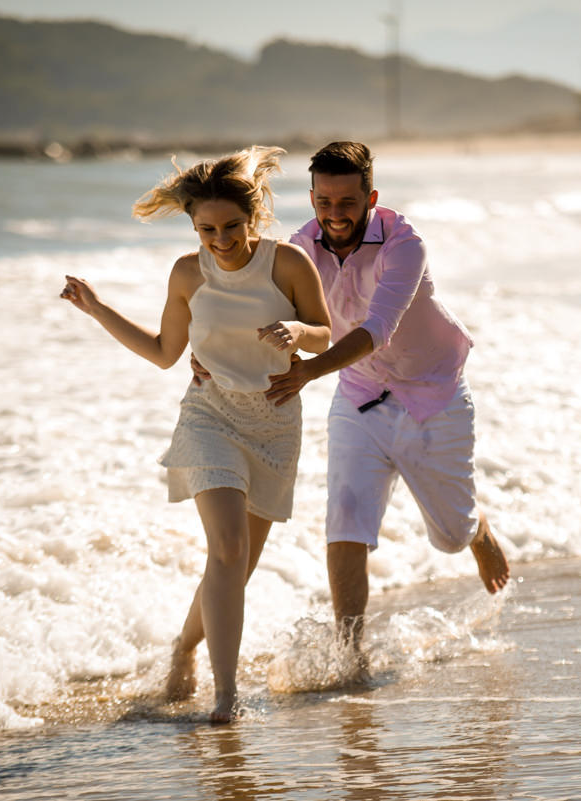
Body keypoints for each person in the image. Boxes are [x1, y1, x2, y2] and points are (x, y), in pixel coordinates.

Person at [200, 141, 510, 657]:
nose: (335, 214)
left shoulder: (404, 245)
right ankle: (350, 654)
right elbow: (255, 311)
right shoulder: (301, 249)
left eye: (347, 202)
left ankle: (478, 531)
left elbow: (377, 330)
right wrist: (207, 355)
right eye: (324, 202)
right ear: (312, 199)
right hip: (359, 398)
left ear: (371, 198)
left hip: (432, 395)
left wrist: (309, 371)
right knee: (345, 521)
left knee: (451, 536)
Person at [60, 147, 332, 723]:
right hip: (210, 416)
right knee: (227, 550)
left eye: (231, 226)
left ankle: (184, 647)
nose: (221, 240)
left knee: (234, 566)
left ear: (252, 218)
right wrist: (98, 309)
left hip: (275, 423)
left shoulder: (287, 263)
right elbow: (165, 353)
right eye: (207, 229)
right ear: (193, 227)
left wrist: (296, 330)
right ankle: (226, 696)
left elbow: (324, 334)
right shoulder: (188, 272)